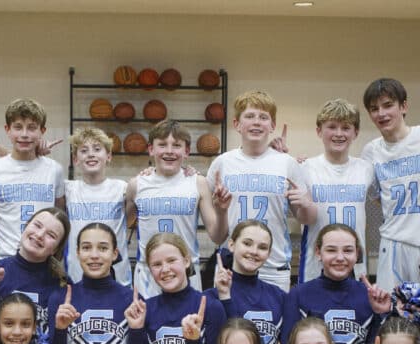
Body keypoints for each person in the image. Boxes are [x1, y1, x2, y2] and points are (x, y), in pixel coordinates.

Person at [206, 90, 316, 292]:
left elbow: (307, 219)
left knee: (272, 324)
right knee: (230, 323)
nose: (256, 122)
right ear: (236, 124)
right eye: (249, 116)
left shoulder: (287, 164)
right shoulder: (221, 163)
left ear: (272, 125)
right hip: (232, 268)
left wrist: (306, 203)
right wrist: (221, 211)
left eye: (263, 117)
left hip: (273, 267)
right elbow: (216, 236)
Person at [125, 119, 232, 298]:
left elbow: (218, 236)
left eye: (176, 145)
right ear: (151, 149)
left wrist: (221, 211)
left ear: (187, 151)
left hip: (187, 271)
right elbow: (125, 223)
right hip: (148, 273)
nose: (169, 151)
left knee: (190, 325)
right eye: (162, 145)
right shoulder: (136, 184)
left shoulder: (198, 182)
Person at [282, 223, 390, 344]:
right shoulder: (299, 294)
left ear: (357, 254)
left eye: (348, 250)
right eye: (331, 250)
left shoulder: (369, 295)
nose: (340, 258)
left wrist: (383, 313)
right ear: (318, 252)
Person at [0, 98, 65, 260]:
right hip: (4, 259)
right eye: (18, 127)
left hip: (42, 260)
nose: (25, 134)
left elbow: (60, 218)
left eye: (32, 128)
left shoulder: (54, 169)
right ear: (7, 129)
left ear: (42, 130)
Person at [299, 99, 376, 282]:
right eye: (332, 127)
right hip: (316, 264)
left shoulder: (366, 169)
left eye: (346, 127)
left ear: (356, 132)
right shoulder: (304, 168)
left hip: (354, 265)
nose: (339, 134)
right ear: (319, 131)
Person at [0, 206, 70, 344]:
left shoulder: (62, 284)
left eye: (51, 235)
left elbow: (60, 343)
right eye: (37, 225)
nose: (40, 235)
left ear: (55, 249)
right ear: (26, 226)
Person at [362, 78, 420, 290]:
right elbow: (376, 198)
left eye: (388, 105)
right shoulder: (371, 151)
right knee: (393, 314)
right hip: (393, 242)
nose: (382, 114)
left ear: (403, 106)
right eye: (374, 109)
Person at [210, 219, 285, 344]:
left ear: (269, 254)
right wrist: (225, 298)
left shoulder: (279, 296)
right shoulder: (210, 297)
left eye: (262, 247)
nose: (254, 252)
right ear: (231, 245)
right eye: (247, 243)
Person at [65, 128, 131, 286]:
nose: (91, 154)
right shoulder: (67, 189)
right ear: (75, 159)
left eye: (97, 149)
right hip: (77, 277)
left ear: (108, 156)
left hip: (117, 278)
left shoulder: (122, 188)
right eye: (84, 150)